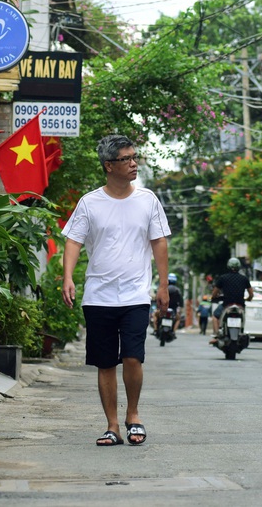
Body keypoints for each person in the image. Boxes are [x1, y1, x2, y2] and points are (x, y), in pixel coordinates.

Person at [61, 135, 171, 446]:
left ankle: (133, 414)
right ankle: (112, 425)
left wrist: (162, 285)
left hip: (136, 295)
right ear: (109, 166)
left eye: (135, 157)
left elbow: (159, 242)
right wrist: (67, 277)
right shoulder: (90, 202)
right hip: (99, 296)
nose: (134, 163)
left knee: (133, 358)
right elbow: (73, 241)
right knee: (106, 362)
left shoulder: (148, 200)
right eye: (126, 159)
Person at [209, 257, 253, 343]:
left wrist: (214, 297)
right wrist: (248, 299)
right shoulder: (244, 279)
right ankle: (241, 331)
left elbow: (214, 293)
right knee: (243, 317)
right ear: (239, 267)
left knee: (215, 316)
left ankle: (217, 336)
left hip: (227, 304)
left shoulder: (223, 278)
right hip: (240, 305)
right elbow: (251, 294)